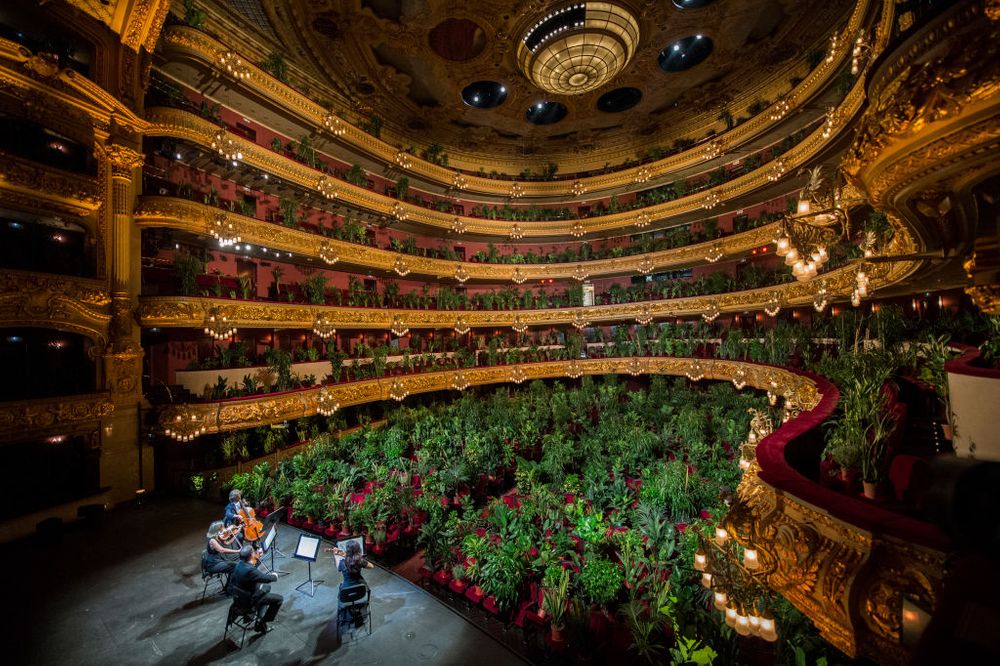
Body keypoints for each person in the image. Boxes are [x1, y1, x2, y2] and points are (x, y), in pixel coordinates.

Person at [229, 545, 283, 633]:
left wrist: (257, 559)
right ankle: (261, 623)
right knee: (279, 599)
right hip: (249, 601)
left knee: (266, 589)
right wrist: (274, 576)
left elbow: (252, 569)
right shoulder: (250, 571)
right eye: (254, 552)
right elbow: (265, 578)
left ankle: (260, 614)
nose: (255, 552)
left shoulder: (239, 564)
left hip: (239, 598)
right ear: (251, 555)